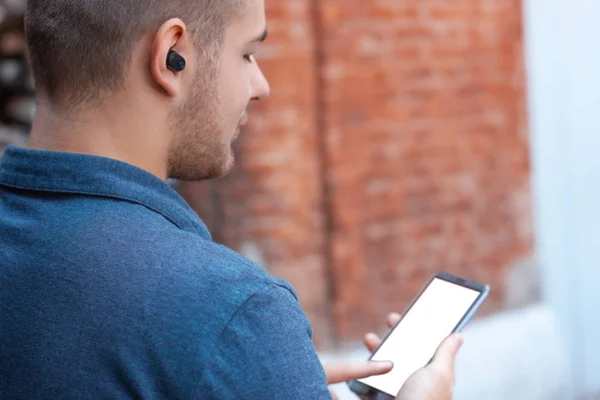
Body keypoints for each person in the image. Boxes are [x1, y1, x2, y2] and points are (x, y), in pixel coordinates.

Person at [0, 0, 464, 398]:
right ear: (172, 56)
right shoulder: (232, 308)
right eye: (247, 54)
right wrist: (240, 354)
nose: (260, 86)